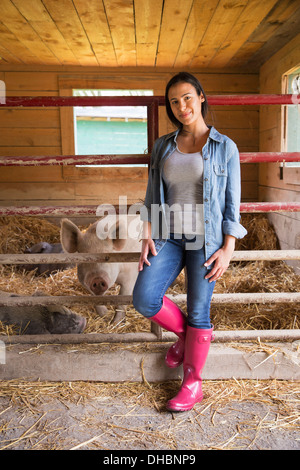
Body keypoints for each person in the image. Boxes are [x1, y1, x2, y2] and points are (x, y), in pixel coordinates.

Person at [133, 72, 247, 412]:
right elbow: (153, 195)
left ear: (200, 97)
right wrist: (147, 235)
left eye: (186, 97)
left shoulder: (225, 147)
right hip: (169, 236)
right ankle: (186, 338)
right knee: (144, 298)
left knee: (199, 310)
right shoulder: (163, 146)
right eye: (174, 101)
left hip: (207, 240)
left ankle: (192, 383)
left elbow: (231, 203)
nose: (181, 106)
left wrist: (228, 247)